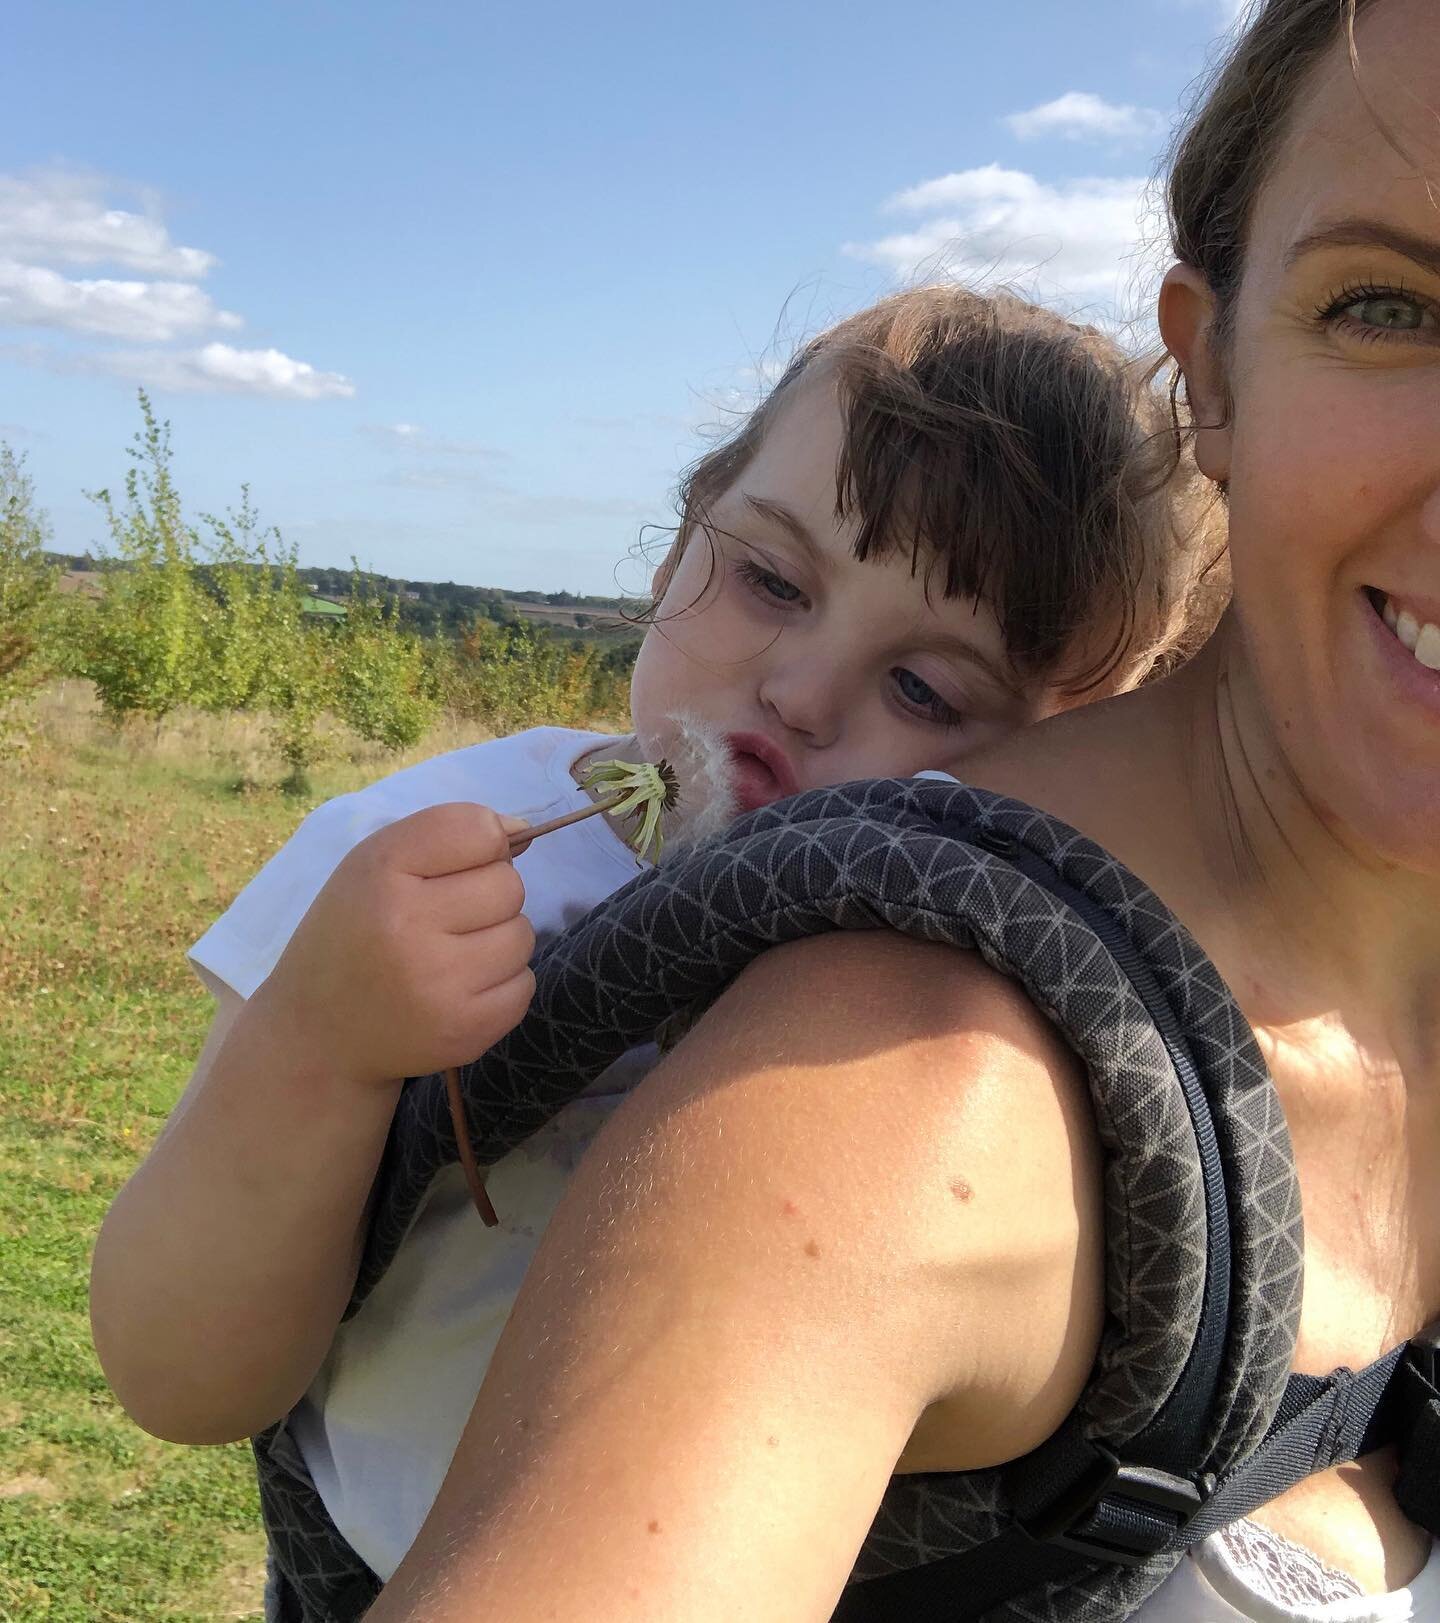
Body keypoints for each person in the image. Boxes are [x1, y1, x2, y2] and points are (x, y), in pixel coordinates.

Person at [340, 1, 1434, 1619]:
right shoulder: (905, 1084)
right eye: (1394, 306)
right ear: (1214, 366)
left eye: (929, 684)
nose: (795, 693)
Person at [89, 285, 1221, 1590]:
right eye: (769, 577)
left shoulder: (977, 1016)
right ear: (682, 532)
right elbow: (172, 1370)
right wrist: (319, 1040)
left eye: (925, 686)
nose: (798, 691)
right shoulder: (407, 851)